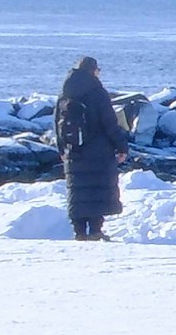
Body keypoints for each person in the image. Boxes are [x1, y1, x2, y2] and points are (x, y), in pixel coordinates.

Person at [54, 56, 128, 242]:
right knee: (97, 190)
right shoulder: (97, 92)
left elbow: (57, 122)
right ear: (93, 70)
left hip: (73, 150)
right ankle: (95, 230)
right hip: (98, 150)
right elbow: (109, 123)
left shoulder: (65, 92)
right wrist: (121, 146)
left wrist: (61, 148)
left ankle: (79, 232)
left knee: (77, 191)